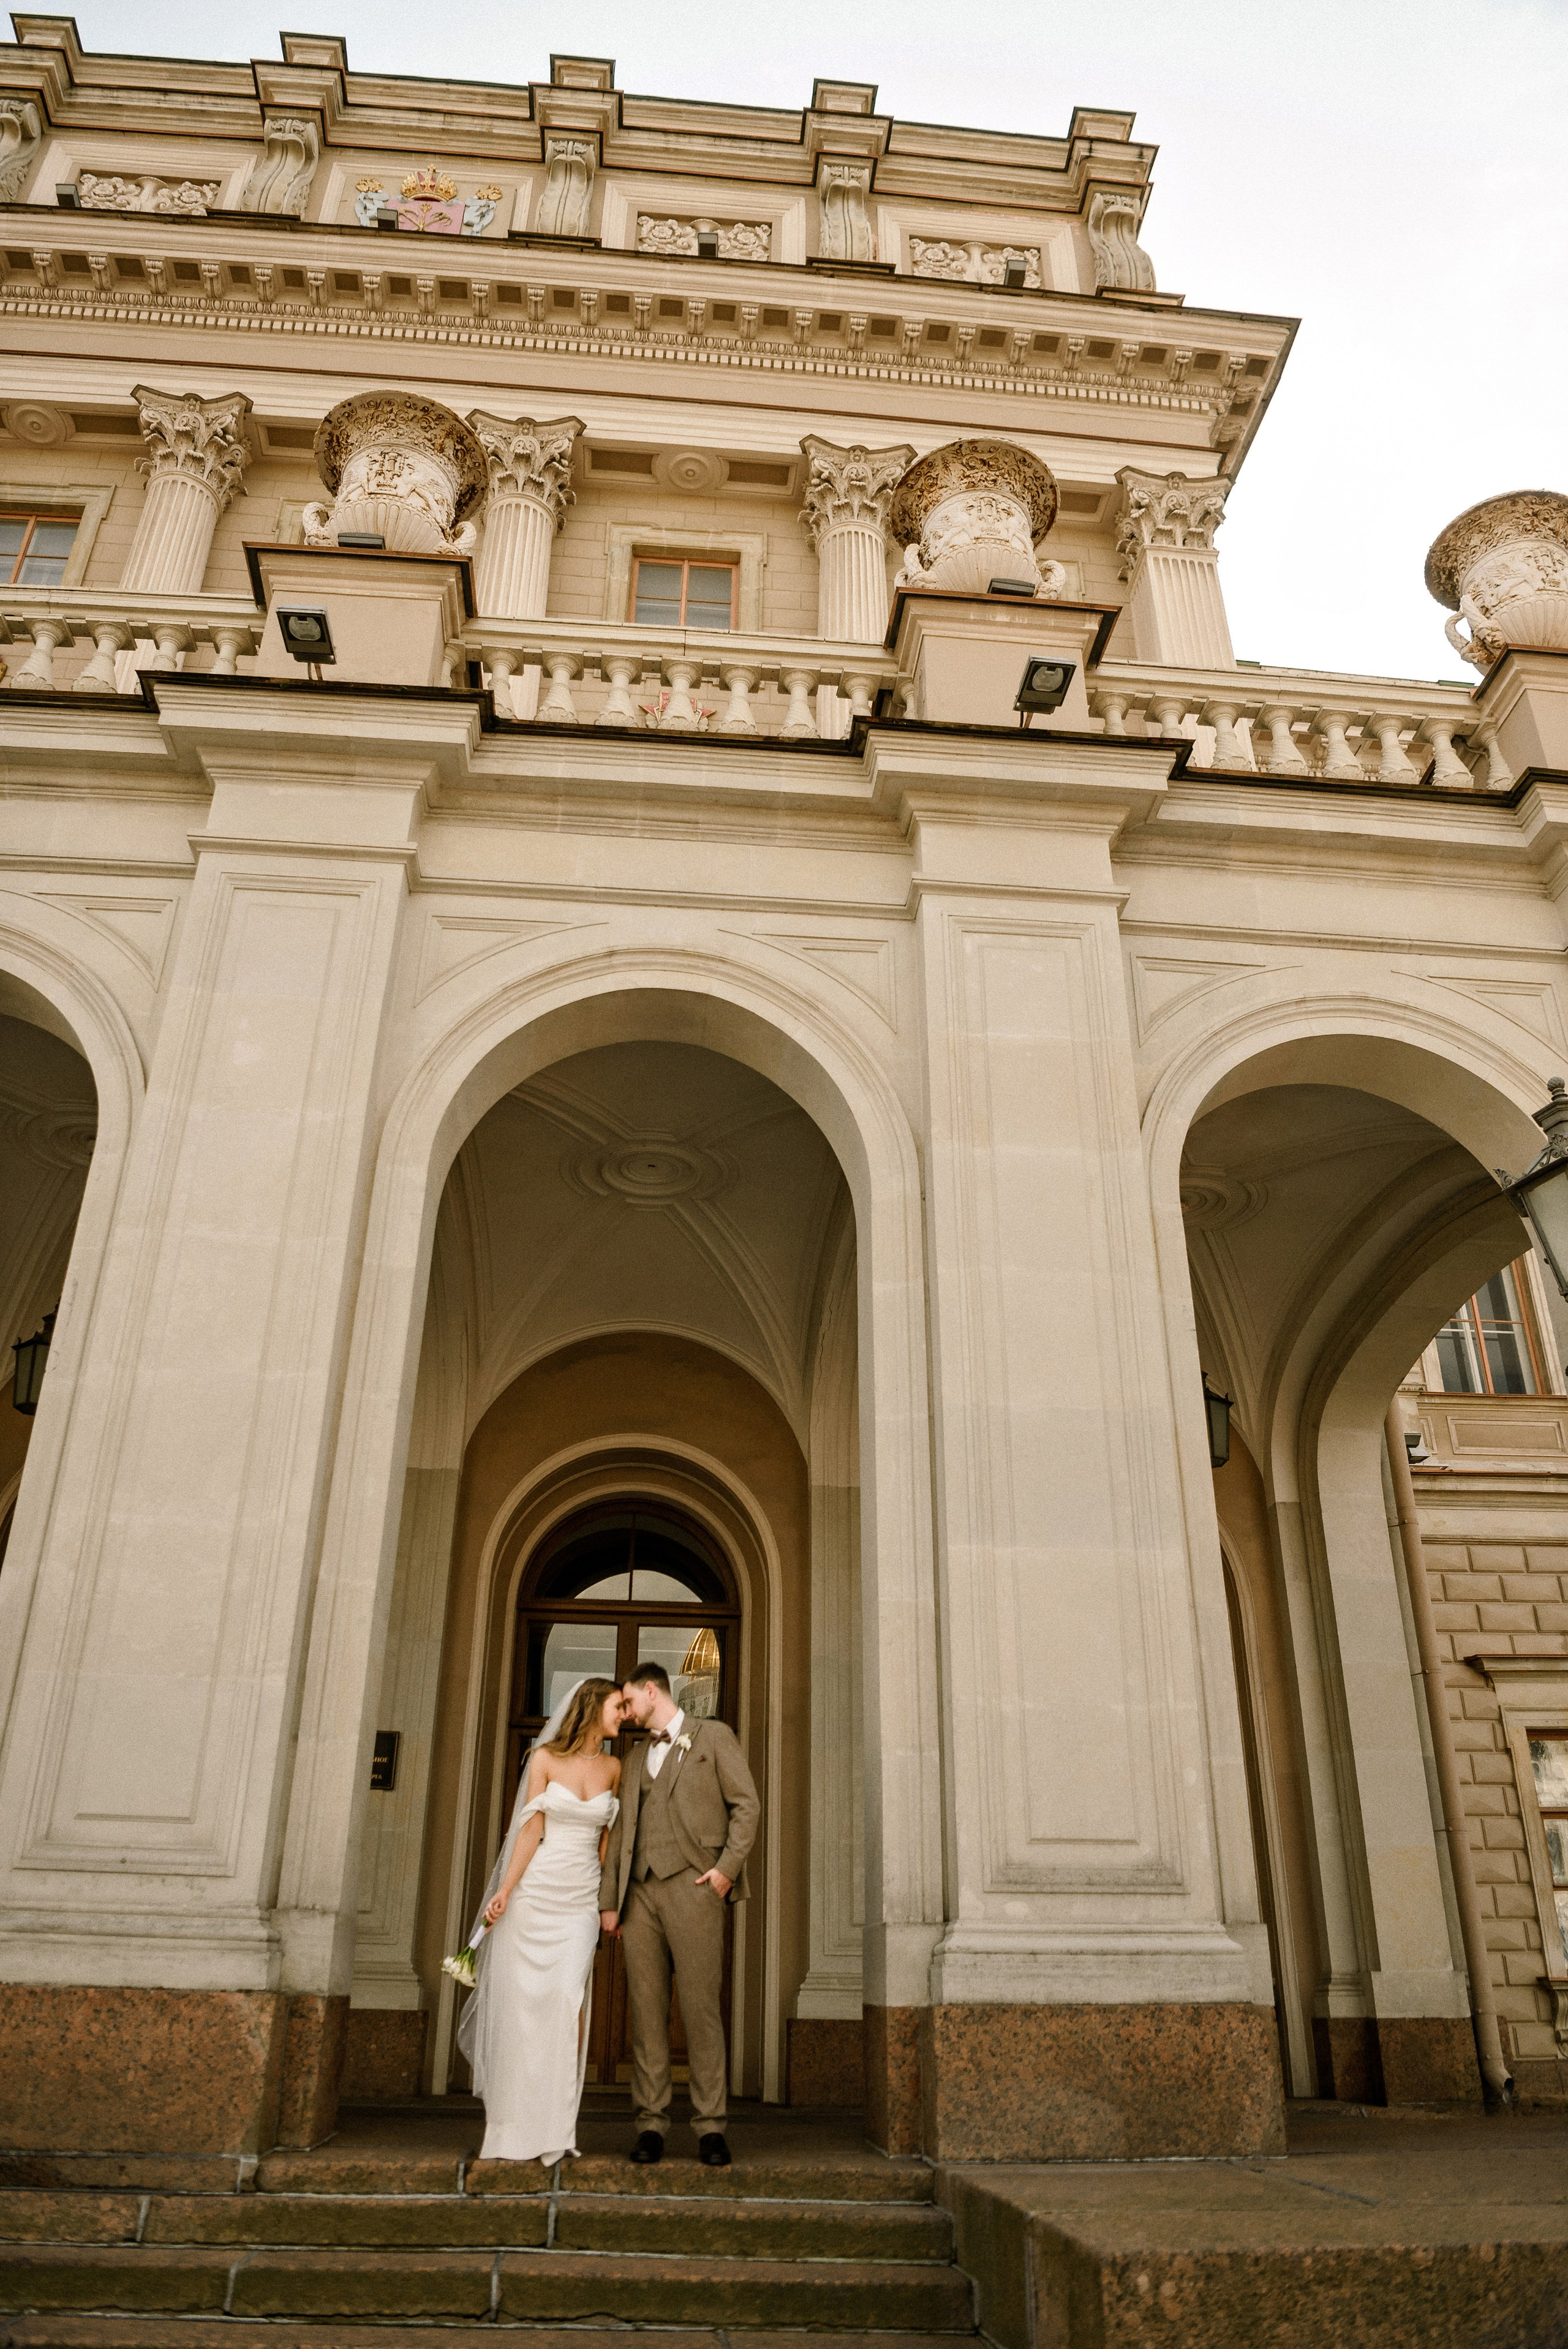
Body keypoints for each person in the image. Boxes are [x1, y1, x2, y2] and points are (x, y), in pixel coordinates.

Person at [598, 1661, 760, 2167]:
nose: (625, 1712)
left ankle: (711, 2127)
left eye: (629, 1701)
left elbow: (747, 1805)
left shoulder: (714, 1736)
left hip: (695, 1889)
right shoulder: (633, 1758)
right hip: (639, 1895)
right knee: (646, 2013)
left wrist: (726, 1871)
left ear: (652, 1691)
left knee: (700, 2010)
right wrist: (609, 1901)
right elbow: (621, 1833)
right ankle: (651, 2124)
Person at [458, 1676, 625, 2165]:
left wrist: (608, 1901)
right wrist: (505, 1890)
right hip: (536, 1895)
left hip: (580, 1902)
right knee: (523, 2009)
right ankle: (511, 2126)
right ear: (593, 1707)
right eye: (618, 1706)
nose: (624, 1715)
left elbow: (607, 1843)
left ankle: (556, 2126)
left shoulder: (615, 1767)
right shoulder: (544, 1759)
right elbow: (530, 1829)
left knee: (567, 2000)